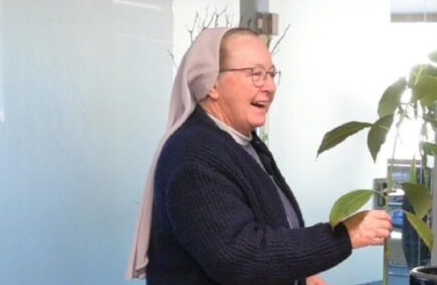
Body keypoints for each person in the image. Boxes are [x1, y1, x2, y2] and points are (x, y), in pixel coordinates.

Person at [128, 26, 393, 283]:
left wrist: (300, 277)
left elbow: (268, 229)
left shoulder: (240, 143)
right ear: (212, 85)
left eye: (271, 74)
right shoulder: (194, 157)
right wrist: (344, 237)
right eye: (255, 74)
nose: (270, 87)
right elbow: (240, 258)